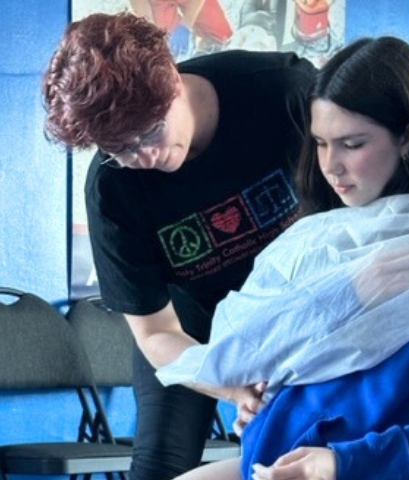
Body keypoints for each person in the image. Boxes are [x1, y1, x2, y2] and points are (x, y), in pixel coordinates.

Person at [160, 36, 409, 480]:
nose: (330, 165)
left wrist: (339, 463)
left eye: (352, 144)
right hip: (279, 462)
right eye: (320, 143)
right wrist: (269, 405)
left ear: (408, 136)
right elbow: (322, 380)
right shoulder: (320, 244)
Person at [42, 12, 316, 480]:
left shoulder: (285, 93)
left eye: (150, 133)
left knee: (306, 450)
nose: (144, 158)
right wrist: (231, 387)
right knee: (159, 465)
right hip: (191, 322)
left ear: (172, 78)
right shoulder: (113, 189)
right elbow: (154, 334)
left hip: (300, 302)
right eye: (121, 149)